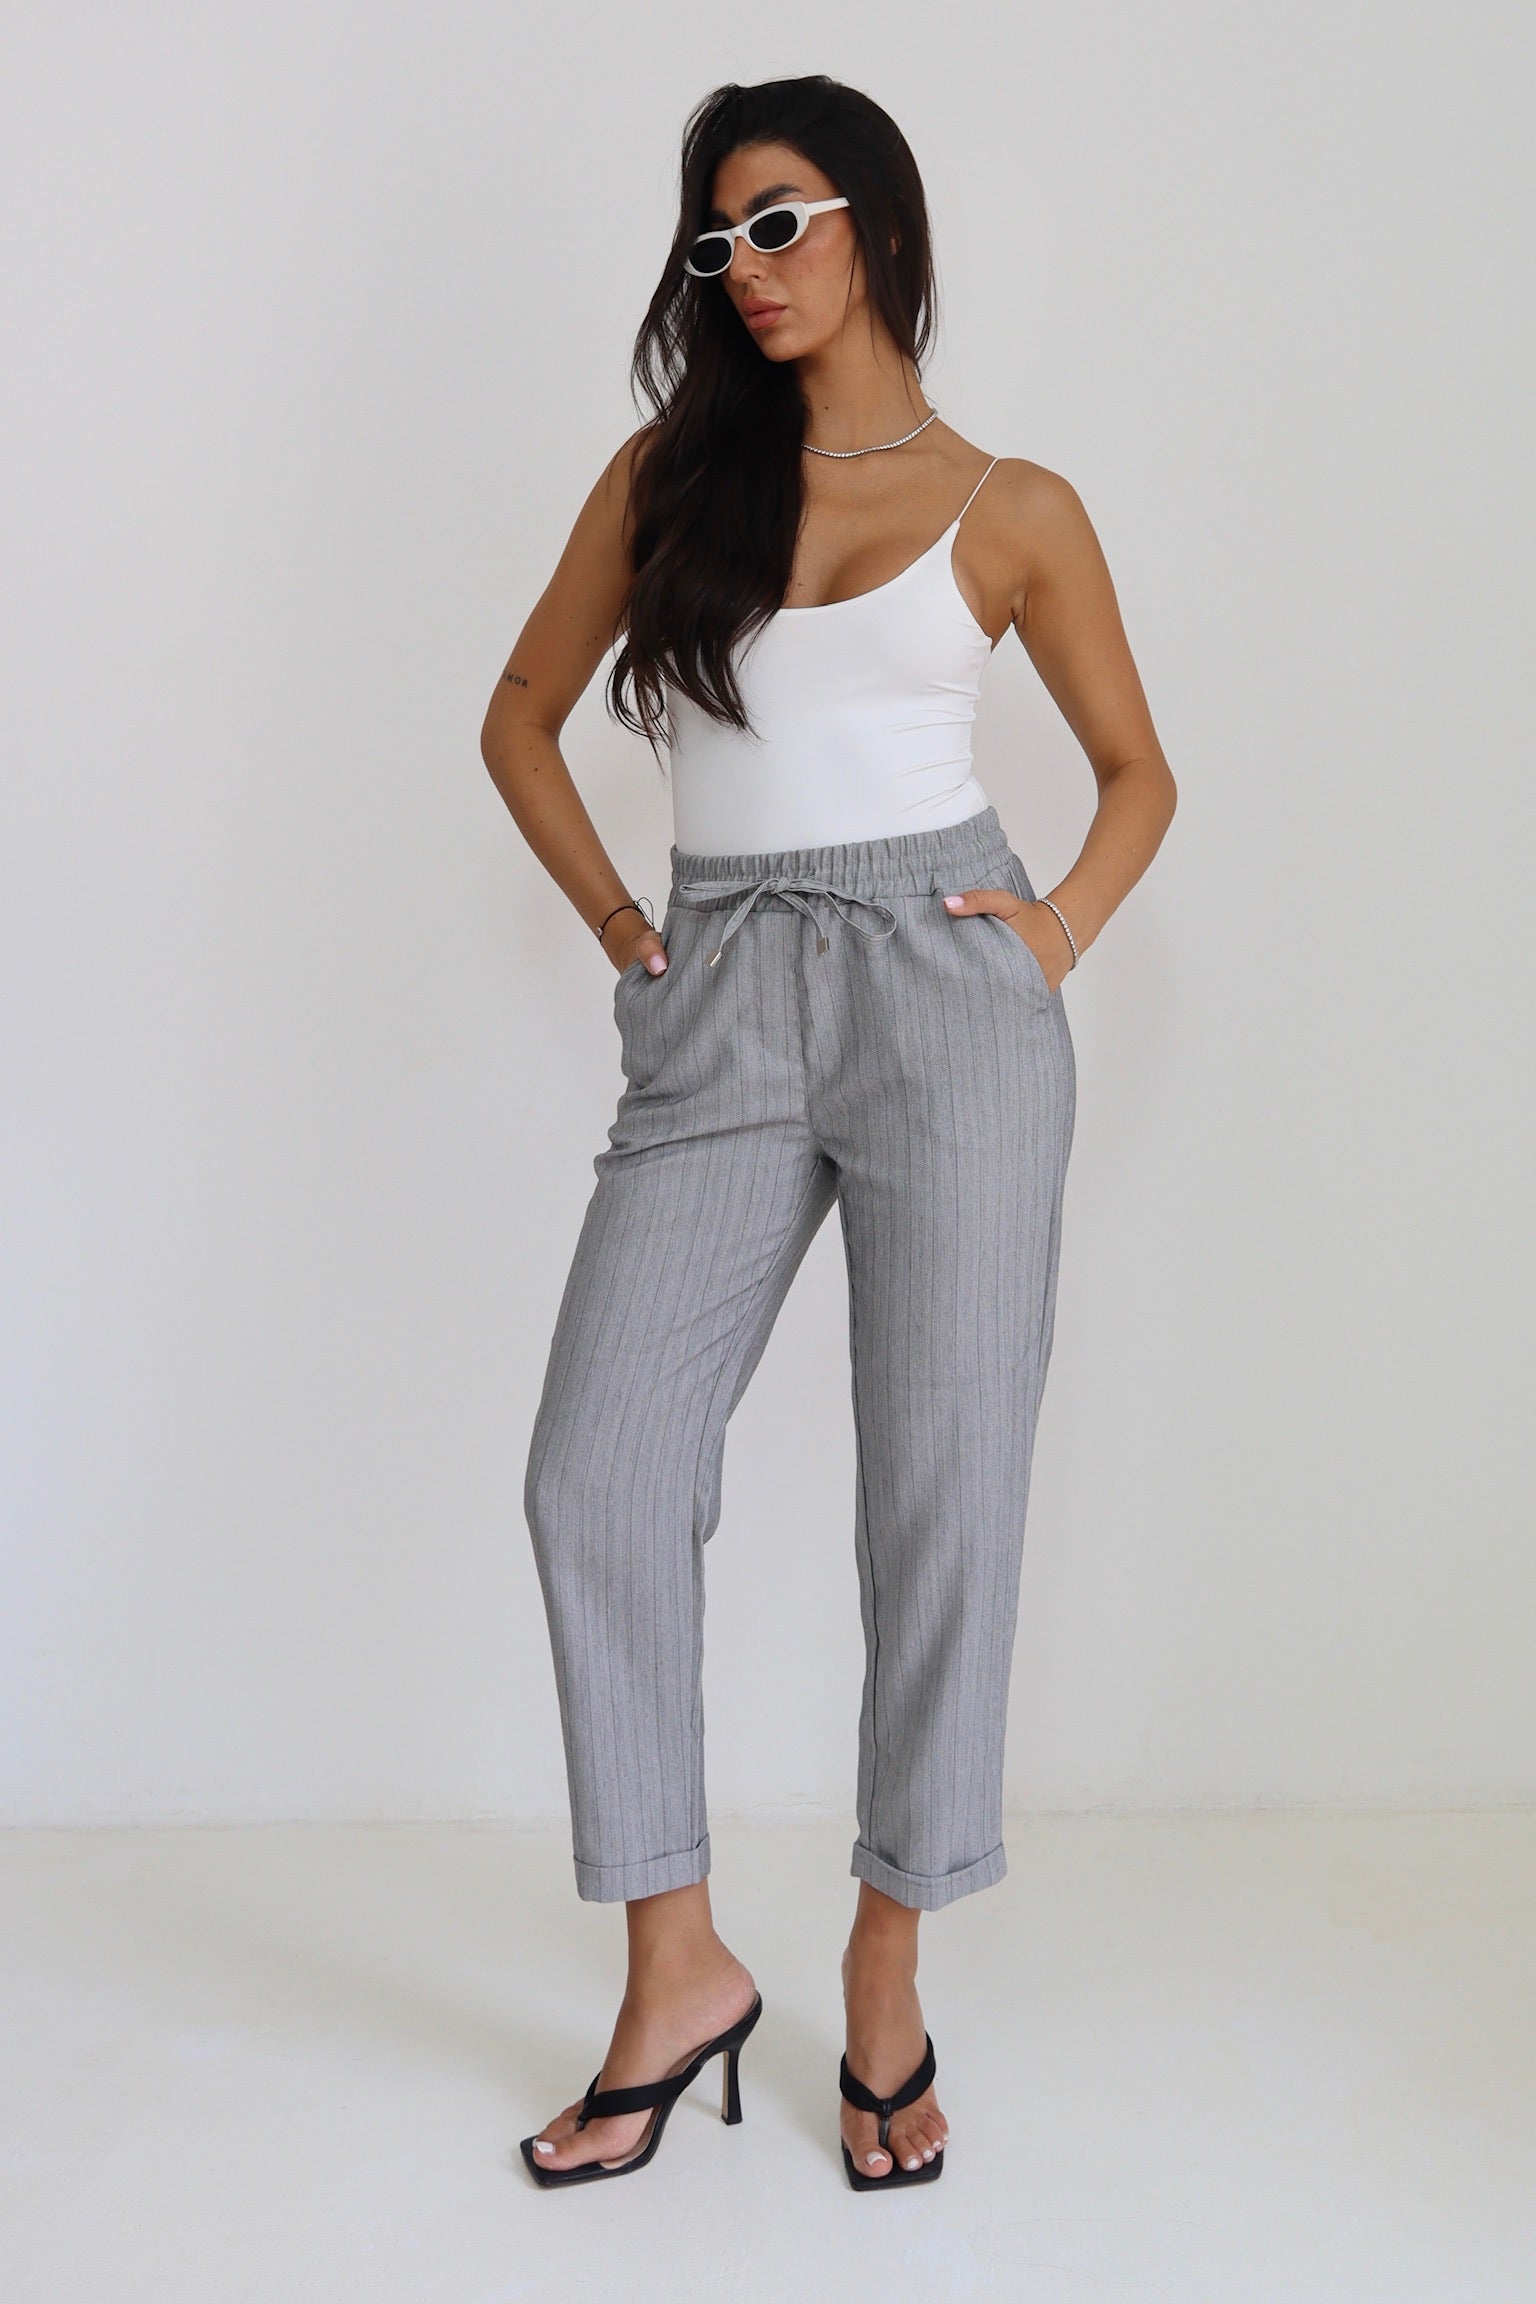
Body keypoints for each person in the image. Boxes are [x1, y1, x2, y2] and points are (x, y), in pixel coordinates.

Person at [479, 74, 1176, 2192]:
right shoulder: (670, 480)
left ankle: (886, 1962)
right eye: (718, 241)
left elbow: (1139, 772)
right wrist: (630, 931)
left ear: (874, 217)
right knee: (598, 1466)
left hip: (947, 995)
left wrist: (1051, 935)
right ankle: (677, 1967)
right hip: (720, 992)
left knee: (941, 1489)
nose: (747, 269)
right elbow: (518, 717)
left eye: (778, 221)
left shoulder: (1012, 506)